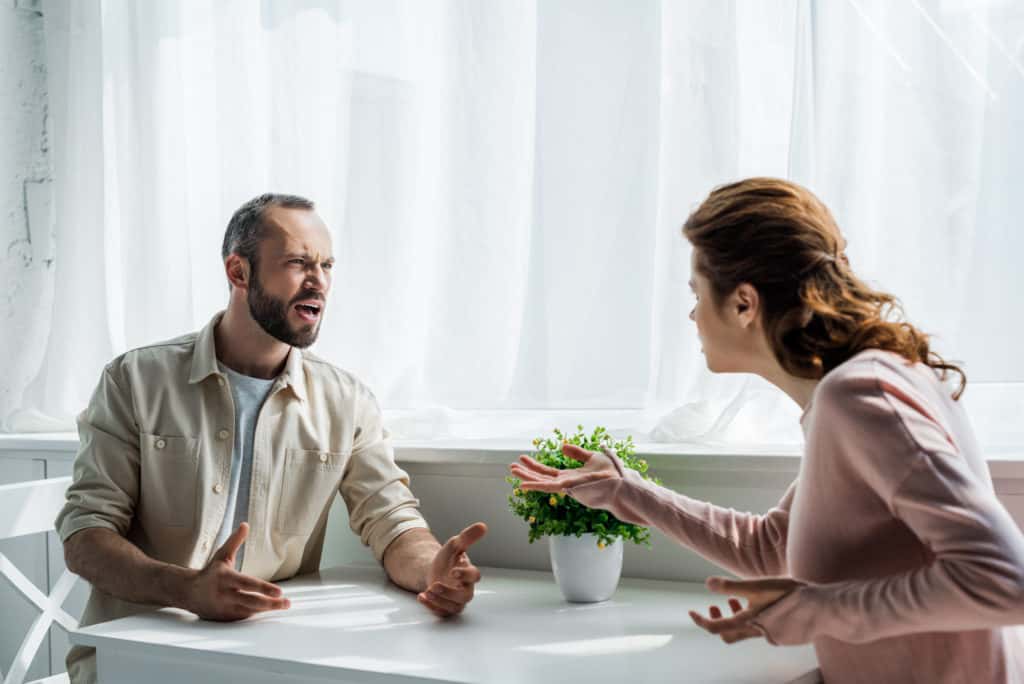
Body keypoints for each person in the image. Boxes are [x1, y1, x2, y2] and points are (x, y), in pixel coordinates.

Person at [510, 177, 1024, 683]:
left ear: (743, 303)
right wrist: (625, 493)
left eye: (697, 292)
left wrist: (820, 610)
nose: (691, 314)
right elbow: (770, 547)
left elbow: (1006, 582)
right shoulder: (851, 394)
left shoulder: (863, 396)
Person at [57, 193, 487, 684]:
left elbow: (391, 521)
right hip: (132, 662)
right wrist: (185, 589)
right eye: (299, 262)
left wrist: (434, 569)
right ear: (238, 272)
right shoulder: (134, 380)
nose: (319, 280)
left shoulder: (346, 401)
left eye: (326, 265)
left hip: (265, 661)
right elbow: (86, 538)